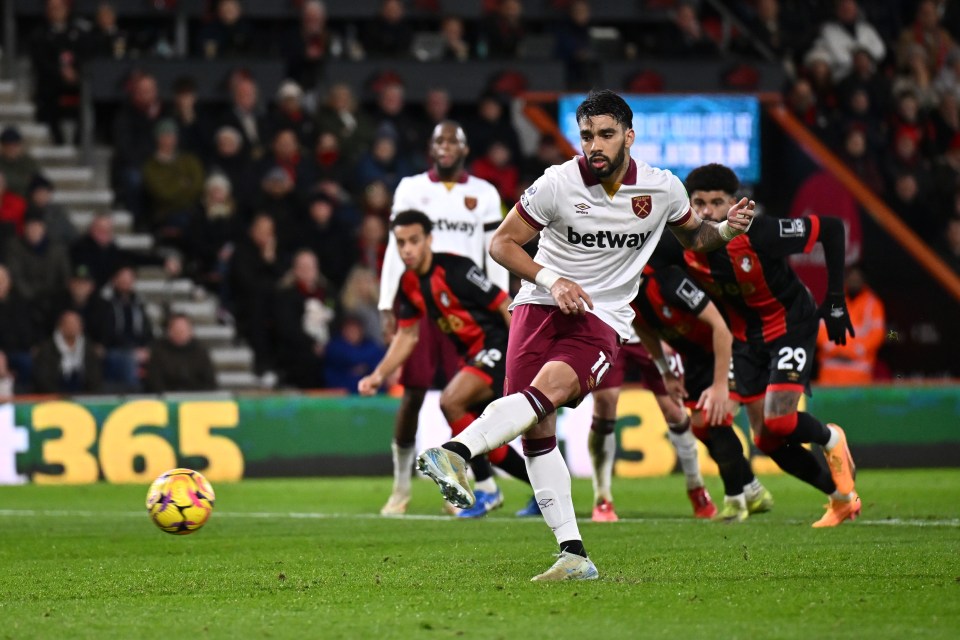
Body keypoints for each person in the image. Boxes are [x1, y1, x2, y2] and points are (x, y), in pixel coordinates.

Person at [416, 90, 756, 581]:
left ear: (629, 136)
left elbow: (694, 238)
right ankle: (572, 553)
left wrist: (724, 230)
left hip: (602, 317)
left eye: (605, 135)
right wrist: (552, 280)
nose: (594, 145)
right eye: (587, 135)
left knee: (549, 392)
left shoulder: (663, 189)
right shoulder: (557, 183)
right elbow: (502, 243)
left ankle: (455, 453)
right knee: (535, 429)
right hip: (538, 306)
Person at [676, 163, 859, 528]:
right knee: (767, 439)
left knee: (779, 419)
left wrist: (836, 300)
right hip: (746, 339)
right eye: (699, 202)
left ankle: (831, 437)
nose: (708, 211)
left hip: (791, 324)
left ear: (734, 204)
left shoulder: (759, 231)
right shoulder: (682, 243)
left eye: (717, 202)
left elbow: (832, 229)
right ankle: (841, 498)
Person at [359, 211, 533, 518]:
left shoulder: (457, 269)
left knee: (451, 400)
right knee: (477, 428)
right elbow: (407, 336)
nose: (407, 250)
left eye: (414, 241)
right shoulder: (409, 282)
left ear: (429, 240)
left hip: (498, 347)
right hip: (473, 357)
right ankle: (543, 490)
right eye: (400, 243)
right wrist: (379, 374)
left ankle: (488, 489)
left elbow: (506, 305)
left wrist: (523, 355)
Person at [375, 121, 508, 517]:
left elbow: (495, 252)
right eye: (438, 141)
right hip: (420, 304)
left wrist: (501, 311)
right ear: (430, 148)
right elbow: (393, 248)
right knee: (413, 395)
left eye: (453, 141)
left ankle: (465, 486)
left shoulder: (483, 193)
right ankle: (400, 490)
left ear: (465, 149)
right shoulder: (410, 188)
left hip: (468, 311)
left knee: (471, 400)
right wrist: (387, 304)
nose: (445, 147)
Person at [631, 260, 774, 523]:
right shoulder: (627, 294)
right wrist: (665, 372)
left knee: (714, 419)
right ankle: (753, 490)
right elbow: (643, 331)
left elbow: (720, 326)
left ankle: (735, 503)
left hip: (730, 344)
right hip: (697, 357)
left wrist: (720, 386)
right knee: (700, 427)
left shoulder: (668, 280)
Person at [586, 331, 718, 523]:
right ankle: (602, 497)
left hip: (652, 335)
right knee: (604, 404)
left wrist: (667, 333)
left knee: (674, 410)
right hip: (610, 330)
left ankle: (696, 487)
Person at [816, 264, 886, 384]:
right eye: (851, 277)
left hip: (859, 374)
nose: (854, 281)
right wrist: (837, 348)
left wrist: (854, 350)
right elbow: (820, 330)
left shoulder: (873, 304)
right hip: (830, 373)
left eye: (857, 278)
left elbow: (877, 335)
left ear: (864, 280)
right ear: (845, 279)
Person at [145, 314, 218, 393]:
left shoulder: (201, 352)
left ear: (191, 331)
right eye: (176, 329)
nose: (180, 333)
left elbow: (210, 382)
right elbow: (155, 381)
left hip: (197, 399)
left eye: (183, 330)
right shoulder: (158, 352)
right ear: (169, 331)